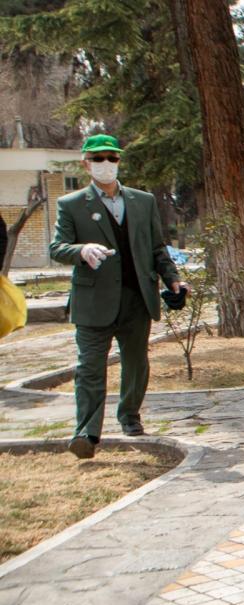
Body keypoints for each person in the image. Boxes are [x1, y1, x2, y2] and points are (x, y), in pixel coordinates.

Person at [49, 134, 186, 459]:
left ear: (119, 161)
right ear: (86, 164)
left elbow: (157, 248)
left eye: (111, 158)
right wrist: (81, 250)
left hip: (136, 297)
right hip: (93, 301)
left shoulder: (143, 201)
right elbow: (57, 248)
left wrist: (173, 279)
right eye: (98, 159)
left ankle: (130, 416)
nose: (105, 164)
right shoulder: (71, 204)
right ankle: (86, 432)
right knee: (90, 366)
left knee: (136, 363)